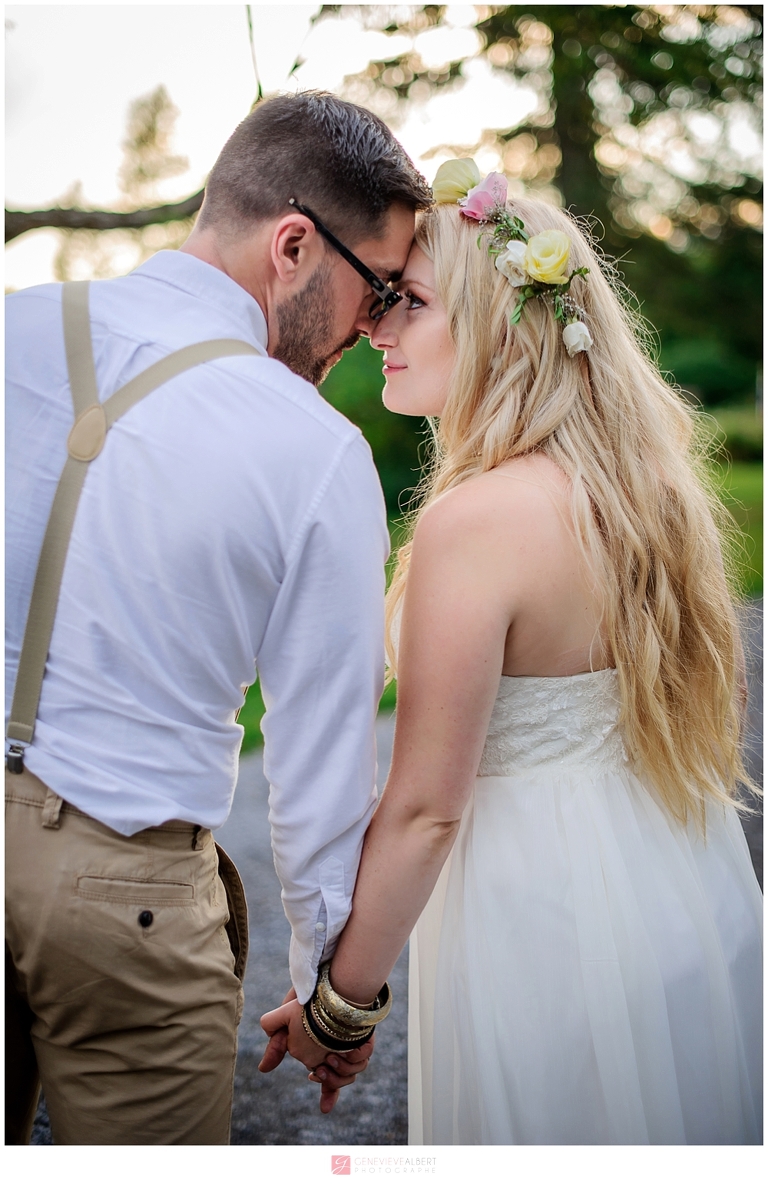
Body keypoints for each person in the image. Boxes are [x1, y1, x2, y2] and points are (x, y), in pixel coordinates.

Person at [260, 161, 763, 1142]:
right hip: (682, 884)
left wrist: (340, 1005)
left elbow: (424, 809)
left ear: (502, 321)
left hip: (545, 916)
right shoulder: (651, 495)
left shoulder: (474, 522)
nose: (376, 327)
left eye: (407, 301)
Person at [5, 91, 432, 1145]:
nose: (373, 336)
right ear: (295, 244)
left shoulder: (12, 330)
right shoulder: (315, 453)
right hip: (123, 891)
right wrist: (334, 1000)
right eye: (376, 292)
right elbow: (318, 765)